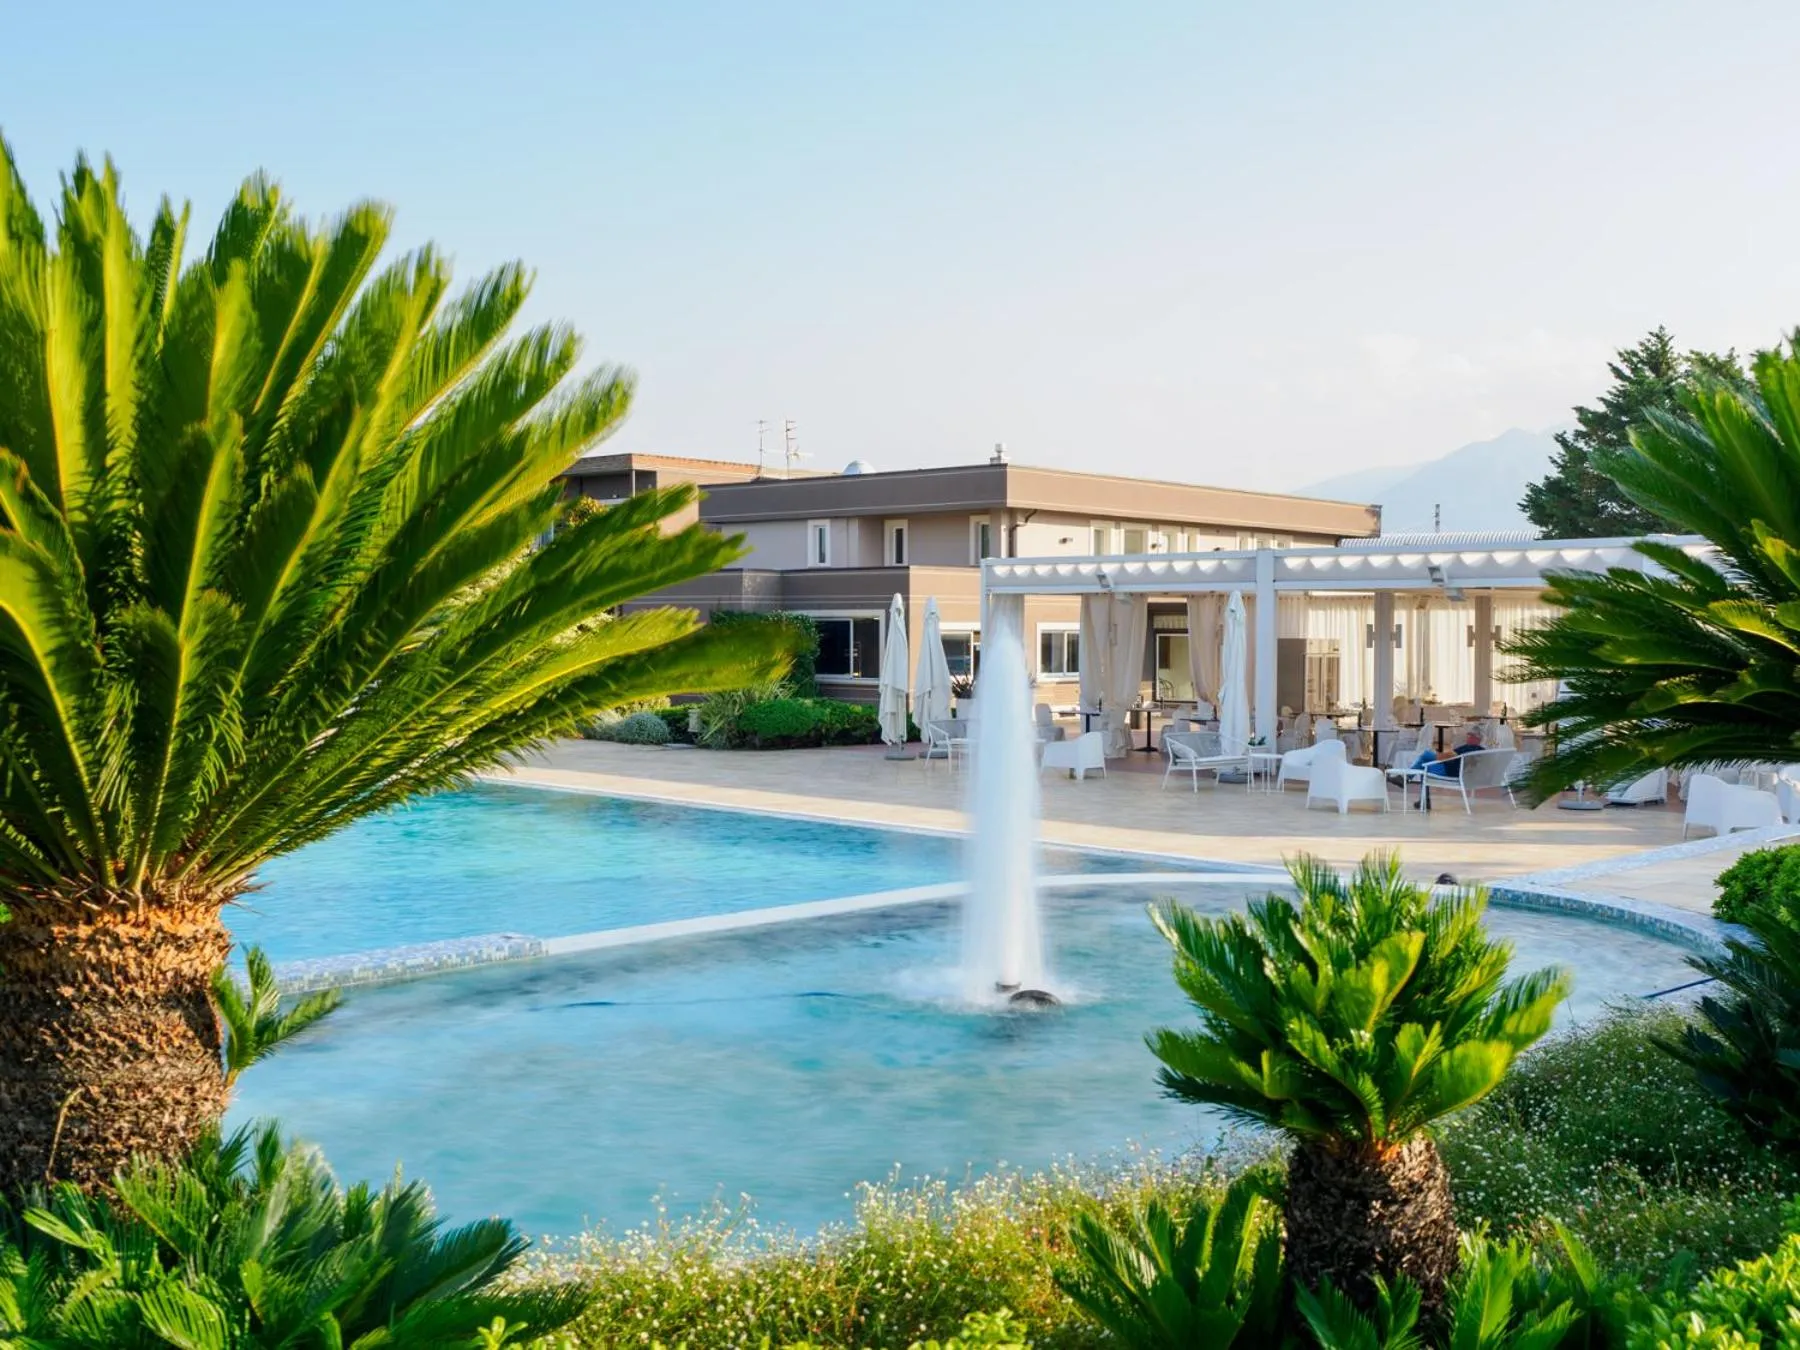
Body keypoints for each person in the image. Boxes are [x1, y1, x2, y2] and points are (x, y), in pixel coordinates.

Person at [1409, 729, 1483, 779]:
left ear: (1477, 739)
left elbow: (1451, 756)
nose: (1468, 738)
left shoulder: (1470, 748)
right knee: (1425, 761)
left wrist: (1439, 755)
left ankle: (1408, 777)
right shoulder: (1481, 750)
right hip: (1460, 772)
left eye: (1470, 736)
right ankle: (1407, 778)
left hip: (1450, 771)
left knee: (1426, 756)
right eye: (1468, 736)